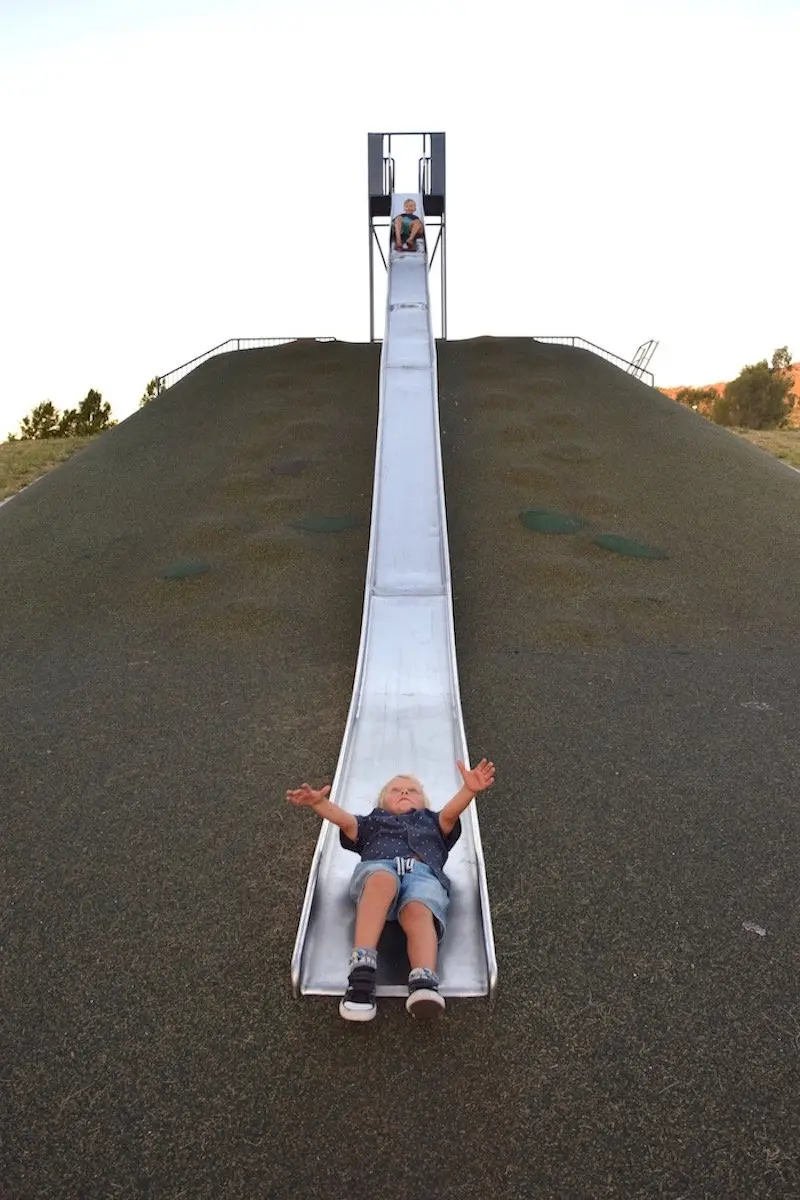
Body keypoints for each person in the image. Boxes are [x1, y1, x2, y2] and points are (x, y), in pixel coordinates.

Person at [287, 758, 496, 1022]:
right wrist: (319, 804)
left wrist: (469, 791)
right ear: (381, 801)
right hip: (378, 872)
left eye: (412, 791)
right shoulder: (373, 822)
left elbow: (451, 813)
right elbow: (346, 821)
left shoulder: (432, 821)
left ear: (424, 802)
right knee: (383, 880)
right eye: (395, 790)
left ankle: (424, 982)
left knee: (418, 910)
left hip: (423, 877)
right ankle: (362, 973)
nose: (405, 793)